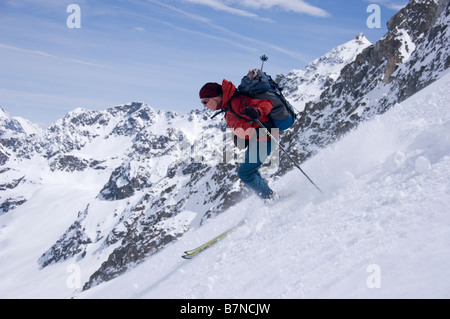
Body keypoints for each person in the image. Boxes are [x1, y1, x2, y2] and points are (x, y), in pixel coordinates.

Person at [199, 77, 280, 201]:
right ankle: (270, 196)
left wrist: (257, 111)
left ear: (215, 97)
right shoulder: (227, 106)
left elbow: (267, 103)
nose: (204, 106)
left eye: (205, 101)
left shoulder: (236, 102)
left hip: (265, 137)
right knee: (251, 172)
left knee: (245, 173)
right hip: (256, 140)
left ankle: (270, 198)